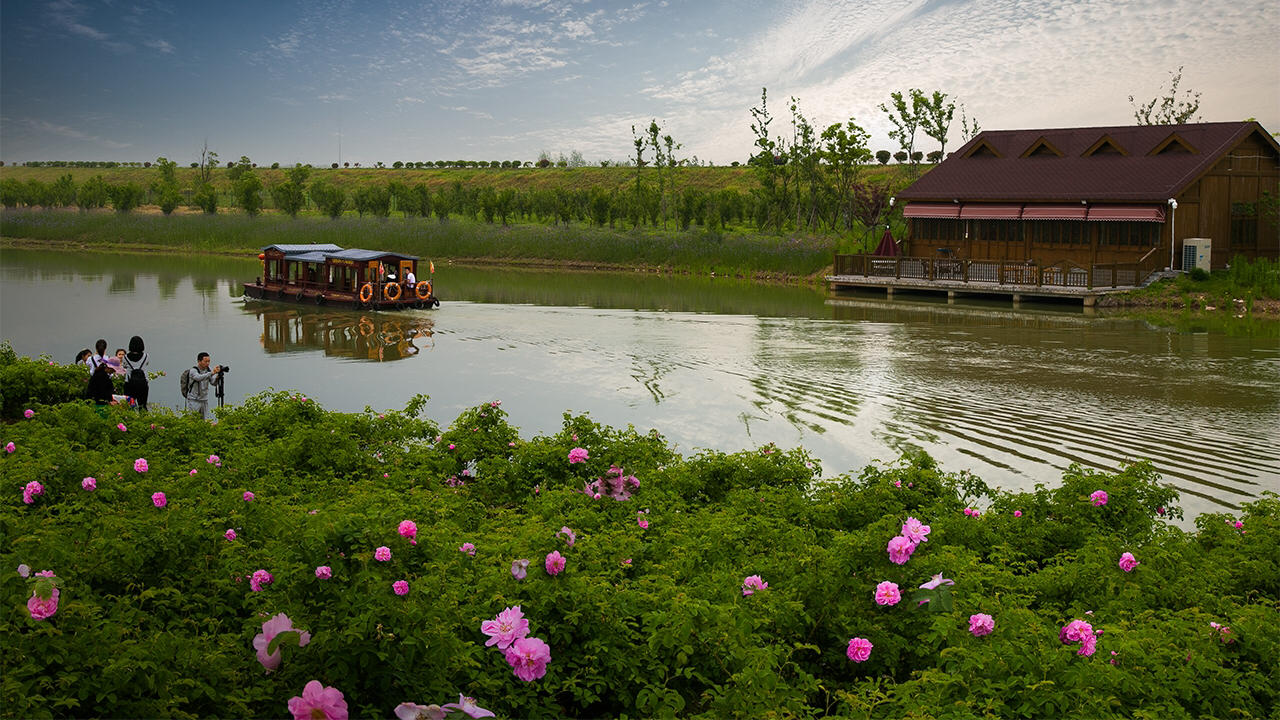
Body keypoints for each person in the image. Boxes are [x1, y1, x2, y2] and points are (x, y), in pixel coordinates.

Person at [185, 352, 222, 420]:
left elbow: (213, 383)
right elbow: (199, 378)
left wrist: (217, 377)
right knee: (192, 420)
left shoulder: (208, 370)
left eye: (209, 361)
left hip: (204, 400)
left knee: (205, 420)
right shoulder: (193, 371)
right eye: (205, 361)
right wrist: (212, 373)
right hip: (194, 400)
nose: (208, 363)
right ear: (199, 361)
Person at [122, 335, 150, 411]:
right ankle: (144, 421)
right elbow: (146, 364)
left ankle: (129, 420)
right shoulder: (146, 356)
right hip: (143, 383)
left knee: (129, 406)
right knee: (143, 406)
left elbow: (124, 366)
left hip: (129, 384)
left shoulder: (125, 357)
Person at [85, 339, 115, 405]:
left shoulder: (90, 359)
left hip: (94, 384)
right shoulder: (109, 359)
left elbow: (90, 372)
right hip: (106, 385)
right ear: (105, 348)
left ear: (96, 348)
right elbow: (111, 374)